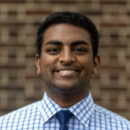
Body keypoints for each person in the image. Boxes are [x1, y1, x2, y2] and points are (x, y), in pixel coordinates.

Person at [0, 11, 130, 130]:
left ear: (95, 63)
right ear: (38, 63)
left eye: (79, 50)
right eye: (54, 50)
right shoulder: (6, 126)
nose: (67, 59)